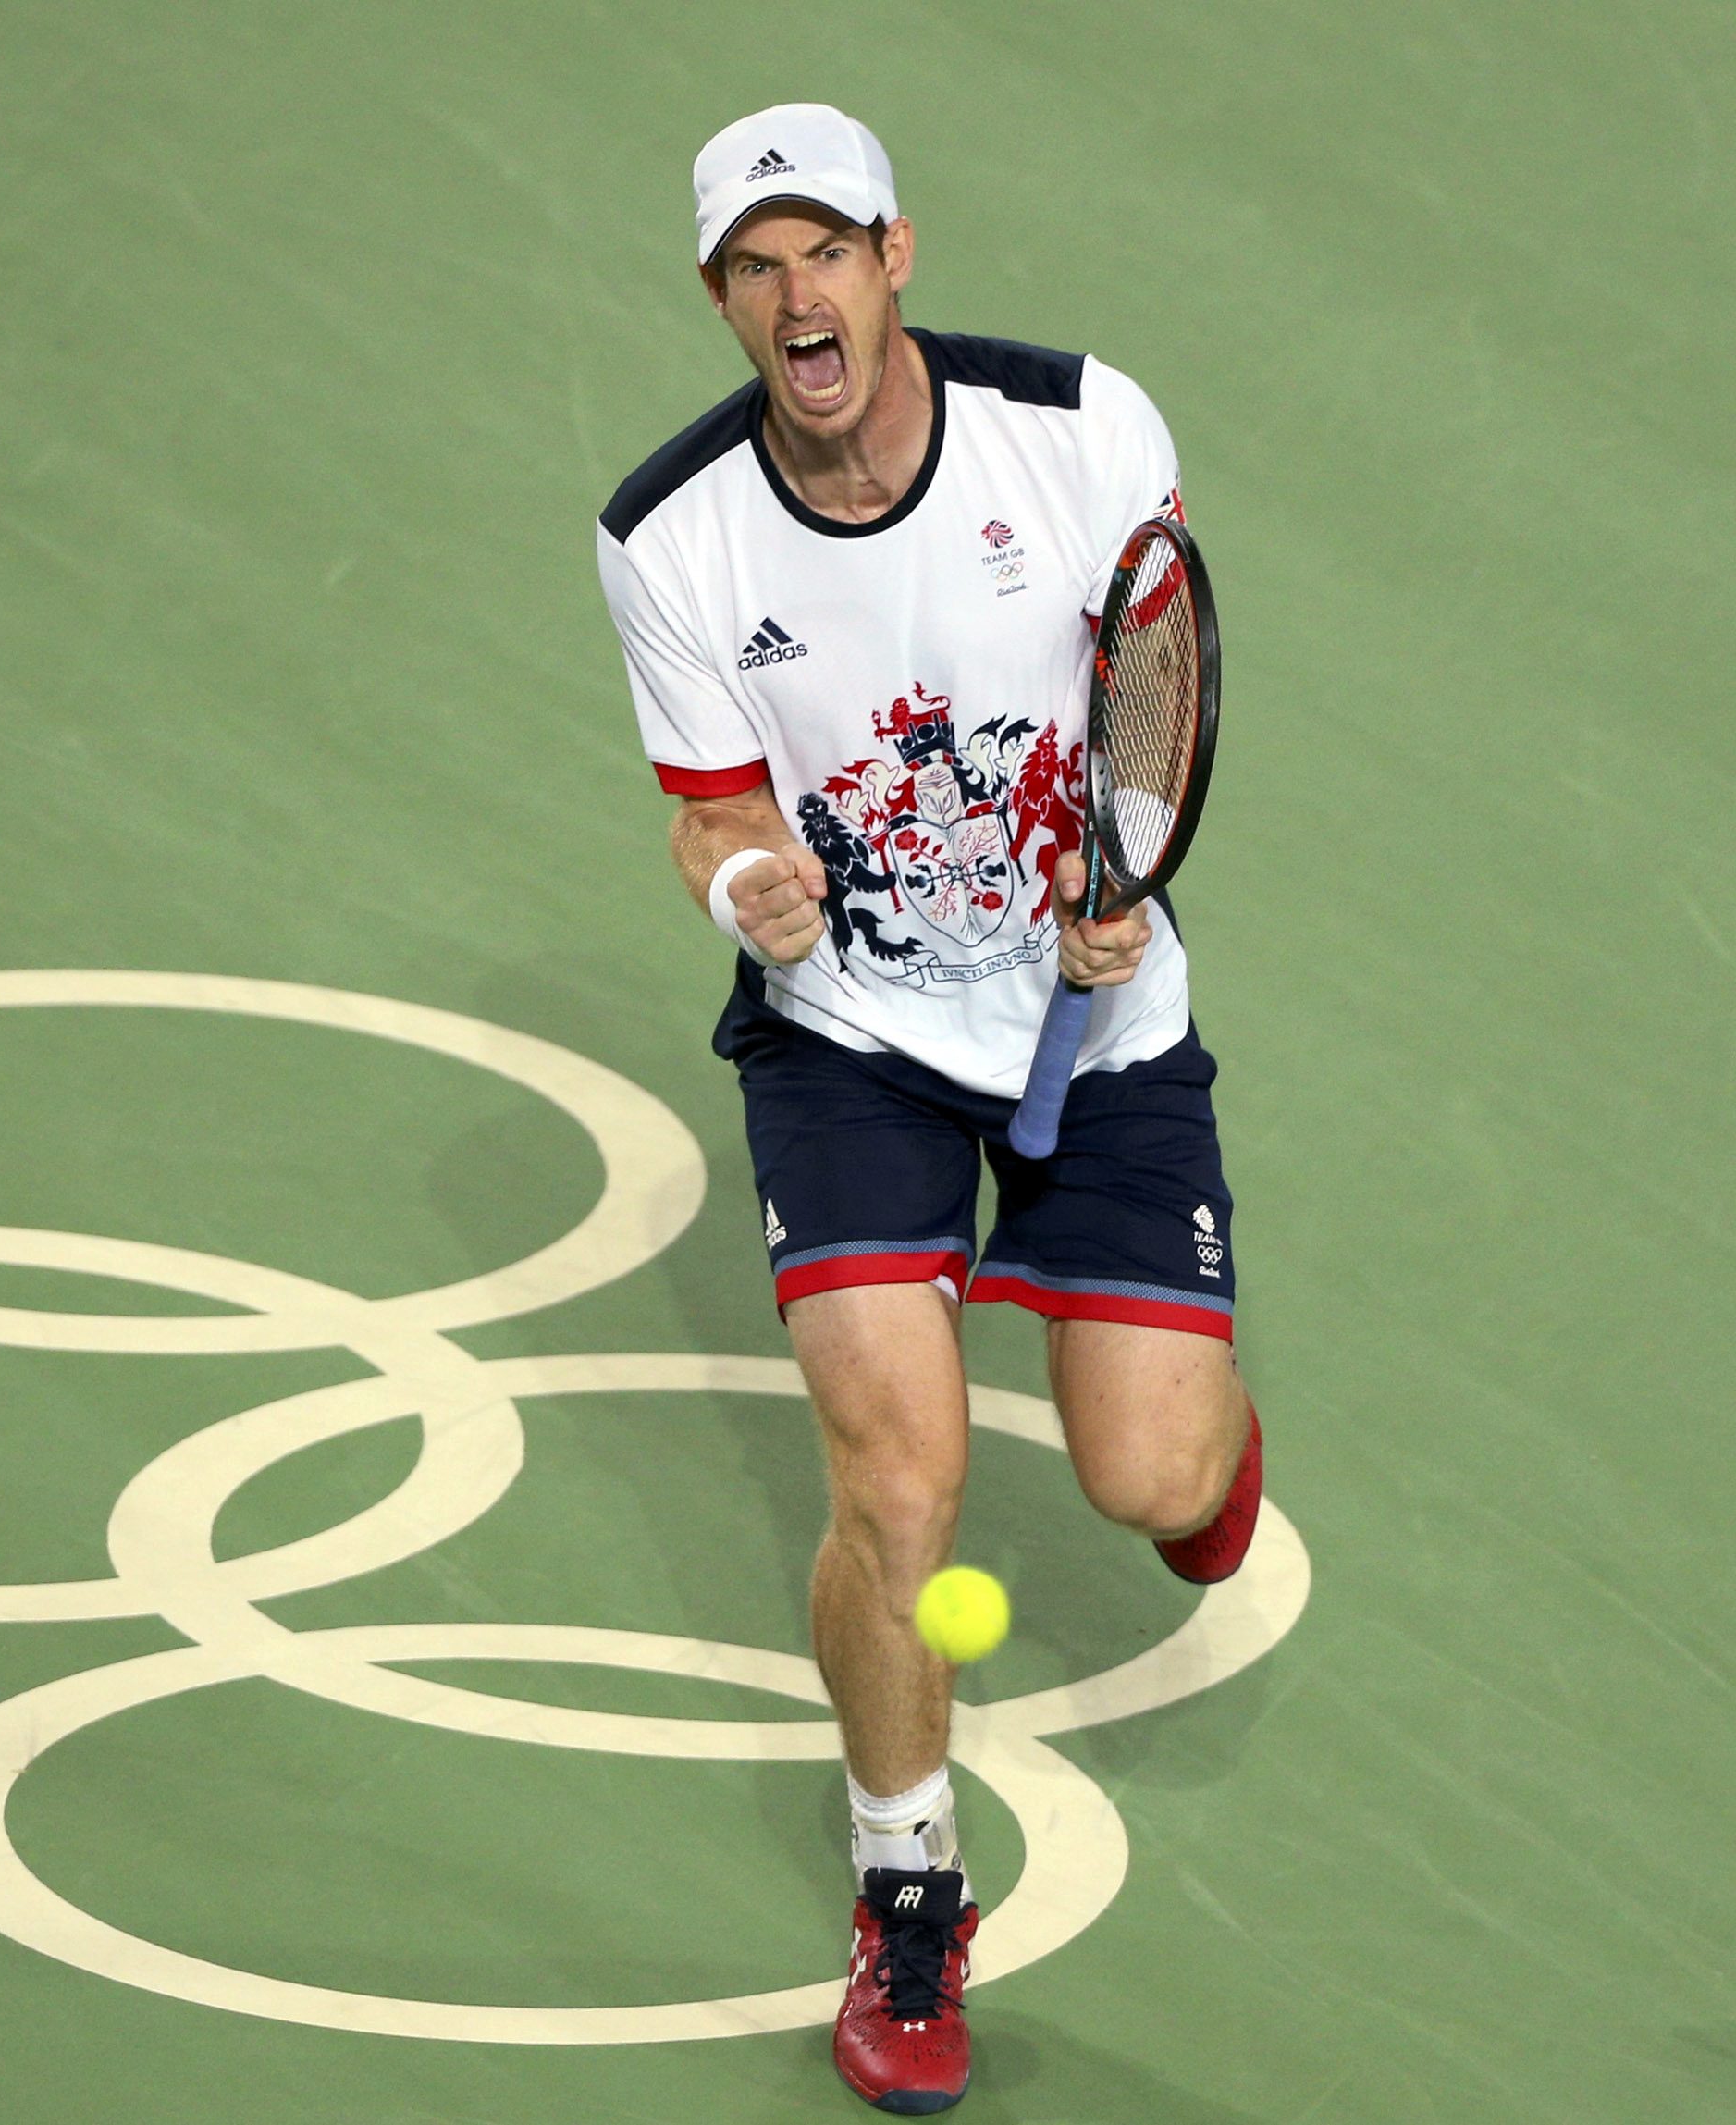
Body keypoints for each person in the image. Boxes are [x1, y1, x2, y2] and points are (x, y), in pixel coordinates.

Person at [593, 104, 1265, 2115]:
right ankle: (907, 1888)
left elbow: (1156, 681)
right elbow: (710, 804)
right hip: (850, 1035)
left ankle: (1201, 1443)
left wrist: (1115, 883)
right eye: (754, 266)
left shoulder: (1075, 428)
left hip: (1097, 1013)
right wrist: (745, 888)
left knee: (1153, 1484)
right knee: (894, 1486)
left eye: (828, 253)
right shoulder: (670, 534)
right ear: (721, 297)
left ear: (897, 257)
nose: (797, 298)